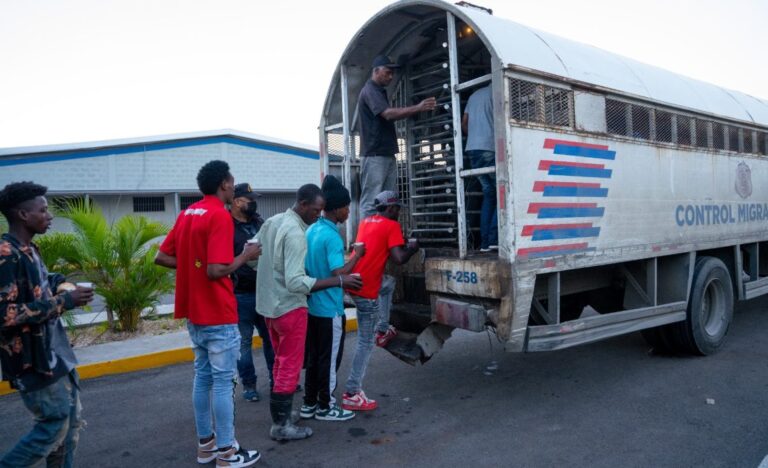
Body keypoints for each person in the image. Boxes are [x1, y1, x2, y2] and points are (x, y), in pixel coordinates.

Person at [155, 161, 261, 467]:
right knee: (224, 383)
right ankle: (227, 452)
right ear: (225, 184)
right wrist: (246, 255)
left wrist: (193, 264)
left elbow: (161, 256)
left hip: (195, 313)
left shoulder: (187, 213)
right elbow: (216, 270)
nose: (234, 186)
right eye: (232, 181)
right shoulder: (219, 215)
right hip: (218, 311)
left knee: (202, 379)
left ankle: (207, 446)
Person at [256, 184, 362, 441]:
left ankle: (291, 413)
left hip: (270, 306)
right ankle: (285, 423)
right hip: (291, 307)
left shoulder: (275, 222)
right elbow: (296, 282)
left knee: (285, 362)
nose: (318, 214)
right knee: (291, 366)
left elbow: (252, 257)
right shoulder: (296, 232)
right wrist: (340, 280)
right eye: (315, 210)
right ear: (303, 204)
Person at [0, 181, 94, 468]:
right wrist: (64, 302)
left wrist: (61, 284)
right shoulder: (6, 255)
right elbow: (5, 314)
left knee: (69, 428)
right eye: (43, 210)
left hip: (56, 355)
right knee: (52, 427)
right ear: (23, 215)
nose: (49, 215)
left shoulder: (29, 250)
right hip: (34, 361)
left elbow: (40, 282)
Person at [342, 191, 419, 412]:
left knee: (389, 284)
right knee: (365, 343)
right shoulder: (391, 225)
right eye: (398, 208)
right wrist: (413, 247)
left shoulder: (366, 221)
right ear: (390, 208)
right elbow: (399, 258)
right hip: (366, 290)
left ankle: (383, 328)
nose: (399, 212)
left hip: (353, 281)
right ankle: (352, 393)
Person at [300, 176, 364, 422]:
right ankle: (326, 406)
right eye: (346, 207)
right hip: (329, 309)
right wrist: (357, 255)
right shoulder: (332, 236)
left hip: (312, 307)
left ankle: (309, 403)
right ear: (336, 209)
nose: (348, 211)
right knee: (329, 360)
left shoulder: (311, 230)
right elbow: (339, 274)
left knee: (314, 358)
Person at [357, 54, 437, 216]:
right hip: (375, 155)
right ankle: (366, 233)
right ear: (376, 71)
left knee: (388, 202)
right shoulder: (370, 90)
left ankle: (385, 232)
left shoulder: (379, 91)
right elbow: (387, 114)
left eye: (392, 73)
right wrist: (418, 108)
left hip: (386, 154)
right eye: (387, 72)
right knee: (371, 203)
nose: (391, 77)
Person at [230, 182, 275, 403]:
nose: (254, 204)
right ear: (237, 202)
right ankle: (249, 385)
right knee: (244, 343)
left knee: (271, 339)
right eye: (250, 200)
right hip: (241, 295)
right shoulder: (225, 226)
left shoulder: (259, 222)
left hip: (264, 290)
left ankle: (278, 380)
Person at [462, 84, 498, 251]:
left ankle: (485, 244)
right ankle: (494, 240)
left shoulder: (474, 95)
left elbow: (464, 124)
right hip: (489, 148)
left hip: (472, 150)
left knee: (489, 194)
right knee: (501, 194)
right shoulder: (497, 91)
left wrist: (476, 137)